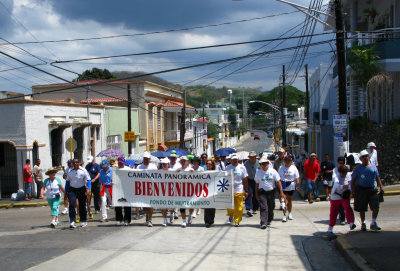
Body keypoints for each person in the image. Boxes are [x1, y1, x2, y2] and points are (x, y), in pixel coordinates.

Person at [351, 150, 384, 231]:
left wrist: (381, 186)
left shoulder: (373, 167)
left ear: (369, 157)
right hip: (361, 190)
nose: (365, 158)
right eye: (363, 157)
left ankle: (373, 222)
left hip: (372, 189)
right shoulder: (358, 168)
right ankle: (363, 223)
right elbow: (353, 181)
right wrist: (353, 191)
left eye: (367, 156)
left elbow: (377, 177)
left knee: (376, 206)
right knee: (362, 208)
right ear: (360, 159)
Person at [255, 156, 283, 229]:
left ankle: (269, 218)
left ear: (268, 164)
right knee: (263, 207)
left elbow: (278, 182)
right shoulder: (258, 173)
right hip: (262, 192)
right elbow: (257, 184)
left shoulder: (273, 171)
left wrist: (281, 192)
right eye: (263, 164)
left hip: (271, 192)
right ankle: (263, 222)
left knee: (271, 206)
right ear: (260, 165)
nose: (264, 165)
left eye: (266, 163)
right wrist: (256, 193)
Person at [328, 165, 356, 235]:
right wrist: (342, 186)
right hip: (335, 195)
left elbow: (351, 181)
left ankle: (351, 223)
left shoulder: (348, 175)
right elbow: (336, 184)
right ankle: (330, 227)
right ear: (339, 172)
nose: (344, 174)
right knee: (334, 211)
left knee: (347, 207)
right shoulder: (336, 176)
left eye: (345, 173)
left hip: (344, 195)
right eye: (342, 173)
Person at [66, 158, 91, 228]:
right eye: (74, 162)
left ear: (79, 163)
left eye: (77, 162)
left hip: (82, 189)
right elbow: (67, 181)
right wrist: (66, 191)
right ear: (72, 164)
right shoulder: (70, 171)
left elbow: (88, 180)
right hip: (72, 189)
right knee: (72, 204)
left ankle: (83, 220)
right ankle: (72, 221)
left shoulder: (83, 170)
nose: (75, 164)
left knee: (82, 205)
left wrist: (88, 189)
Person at [226, 154, 248, 227]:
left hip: (239, 188)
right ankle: (231, 214)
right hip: (230, 188)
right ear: (231, 160)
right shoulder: (227, 167)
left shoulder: (242, 167)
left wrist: (246, 190)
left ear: (238, 160)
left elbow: (245, 179)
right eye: (233, 160)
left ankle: (237, 220)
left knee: (239, 206)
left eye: (236, 159)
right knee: (230, 205)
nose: (235, 161)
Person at [137, 151, 158, 227]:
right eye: (145, 159)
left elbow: (157, 177)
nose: (146, 160)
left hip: (151, 188)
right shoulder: (139, 167)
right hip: (142, 189)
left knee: (151, 204)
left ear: (150, 159)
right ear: (143, 159)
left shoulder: (153, 167)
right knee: (145, 206)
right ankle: (147, 214)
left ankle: (150, 220)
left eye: (148, 159)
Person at [278, 156, 299, 222]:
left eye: (289, 161)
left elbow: (297, 177)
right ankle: (284, 215)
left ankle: (289, 213)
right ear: (284, 161)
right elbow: (278, 178)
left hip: (291, 185)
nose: (287, 162)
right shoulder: (281, 168)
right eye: (286, 160)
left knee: (289, 200)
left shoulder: (294, 168)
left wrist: (297, 185)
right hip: (283, 185)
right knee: (284, 201)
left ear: (291, 161)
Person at [114, 156, 132, 226]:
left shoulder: (128, 169)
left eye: (121, 163)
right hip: (117, 189)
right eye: (119, 163)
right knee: (118, 205)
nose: (120, 164)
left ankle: (127, 219)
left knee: (127, 205)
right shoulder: (115, 169)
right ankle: (119, 219)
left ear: (124, 163)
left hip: (126, 189)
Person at [176, 156, 192, 227]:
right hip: (181, 191)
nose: (183, 162)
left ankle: (190, 215)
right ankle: (184, 220)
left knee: (191, 206)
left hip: (189, 191)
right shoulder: (178, 170)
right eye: (181, 161)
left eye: (184, 161)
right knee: (182, 207)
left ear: (187, 162)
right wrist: (176, 173)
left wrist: (193, 173)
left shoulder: (190, 169)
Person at [159, 158, 174, 226]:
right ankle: (165, 220)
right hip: (162, 192)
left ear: (168, 164)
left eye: (165, 164)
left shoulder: (172, 171)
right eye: (163, 164)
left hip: (171, 191)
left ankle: (171, 214)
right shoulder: (159, 171)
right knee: (163, 206)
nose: (164, 165)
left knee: (171, 206)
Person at [244, 151, 259, 217]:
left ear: (256, 157)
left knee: (256, 193)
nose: (252, 158)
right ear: (249, 157)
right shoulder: (246, 163)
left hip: (257, 180)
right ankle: (249, 208)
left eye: (253, 157)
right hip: (249, 179)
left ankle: (255, 208)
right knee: (249, 193)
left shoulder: (258, 163)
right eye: (251, 157)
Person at [204, 159, 217, 228]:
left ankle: (211, 220)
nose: (208, 165)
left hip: (213, 191)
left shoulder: (215, 172)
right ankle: (206, 221)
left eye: (210, 164)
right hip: (206, 191)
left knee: (212, 207)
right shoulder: (204, 172)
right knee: (207, 206)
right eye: (207, 164)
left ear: (212, 165)